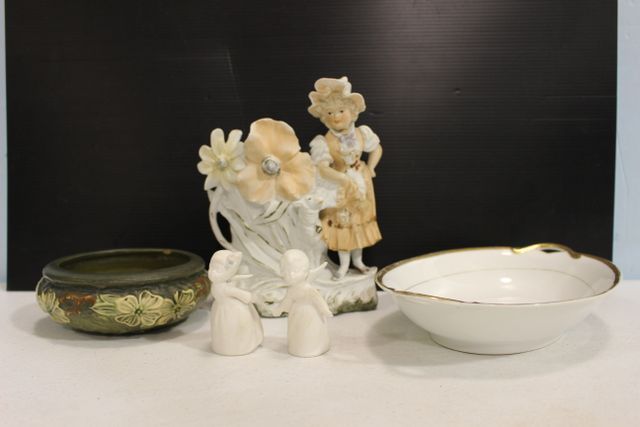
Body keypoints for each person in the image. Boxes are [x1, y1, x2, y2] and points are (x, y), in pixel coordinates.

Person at [308, 77, 383, 279]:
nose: (335, 116)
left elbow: (376, 148)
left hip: (362, 183)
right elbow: (322, 169)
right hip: (340, 188)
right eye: (330, 113)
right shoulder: (323, 141)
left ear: (353, 112)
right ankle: (343, 266)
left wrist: (371, 168)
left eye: (341, 111)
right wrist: (343, 180)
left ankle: (358, 262)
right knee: (343, 225)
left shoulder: (362, 133)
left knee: (360, 222)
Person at [273, 250, 332, 357]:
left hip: (311, 314)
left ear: (305, 272)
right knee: (297, 331)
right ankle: (298, 348)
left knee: (310, 331)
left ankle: (312, 348)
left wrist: (325, 310)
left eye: (295, 271)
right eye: (286, 271)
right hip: (296, 314)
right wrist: (279, 309)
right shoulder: (291, 290)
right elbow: (287, 301)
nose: (290, 275)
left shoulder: (308, 288)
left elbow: (318, 300)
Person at [209, 250, 263, 356]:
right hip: (234, 312)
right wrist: (257, 298)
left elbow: (225, 279)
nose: (213, 271)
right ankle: (238, 348)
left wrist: (232, 277)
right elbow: (246, 297)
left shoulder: (216, 285)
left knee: (224, 330)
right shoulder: (225, 288)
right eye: (213, 267)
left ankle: (224, 347)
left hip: (221, 311)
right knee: (235, 330)